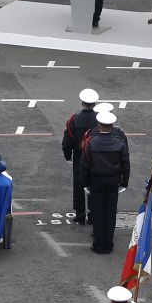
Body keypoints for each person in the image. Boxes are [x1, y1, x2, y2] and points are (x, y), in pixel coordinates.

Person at [82, 110, 129, 255]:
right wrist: (124, 183)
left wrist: (85, 183)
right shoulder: (119, 143)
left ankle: (98, 244)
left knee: (97, 211)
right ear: (112, 125)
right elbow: (125, 165)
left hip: (96, 180)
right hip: (113, 180)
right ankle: (108, 244)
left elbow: (85, 165)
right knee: (110, 212)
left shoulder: (92, 142)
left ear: (99, 124)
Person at [62, 89, 99, 226]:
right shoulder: (99, 119)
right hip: (96, 156)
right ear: (94, 103)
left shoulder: (74, 119)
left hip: (80, 155)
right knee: (93, 183)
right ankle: (93, 214)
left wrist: (68, 156)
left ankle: (80, 214)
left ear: (82, 102)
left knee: (79, 184)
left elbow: (67, 141)